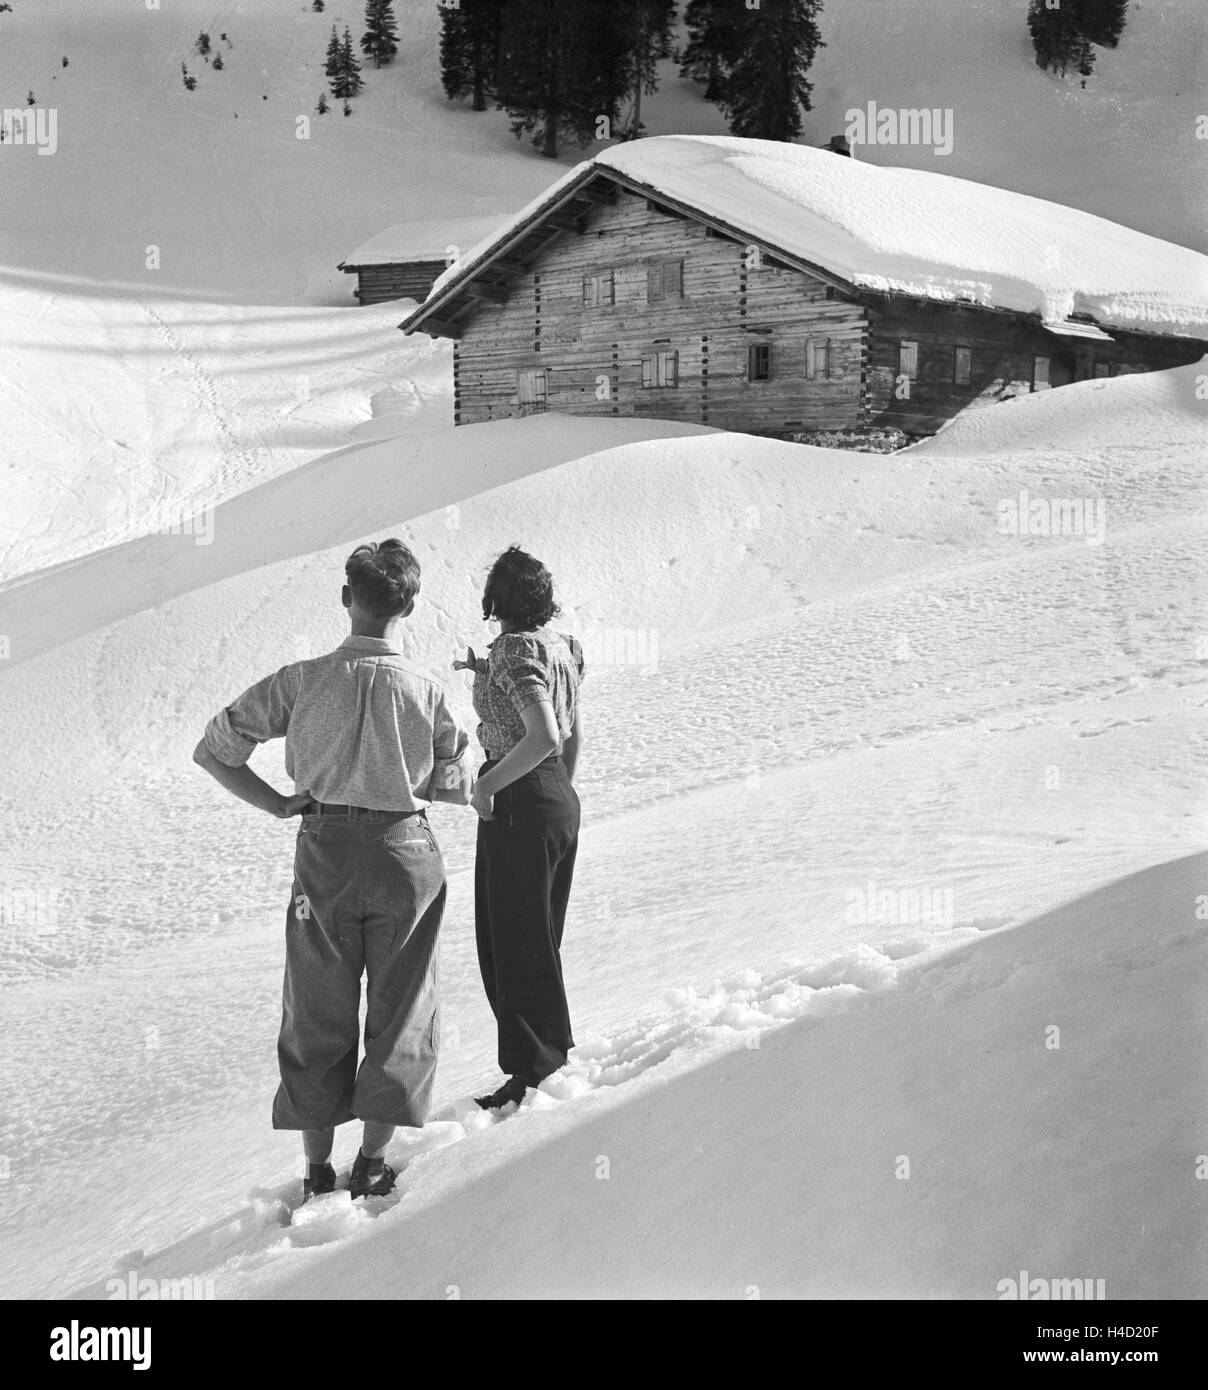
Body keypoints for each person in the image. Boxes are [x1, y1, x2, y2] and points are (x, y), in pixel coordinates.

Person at [193, 540, 472, 1201]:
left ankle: (317, 1172)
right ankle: (371, 1165)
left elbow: (214, 750)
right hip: (407, 855)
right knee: (402, 1011)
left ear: (348, 599)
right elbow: (454, 783)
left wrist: (278, 803)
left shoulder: (301, 680)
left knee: (317, 1007)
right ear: (410, 606)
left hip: (324, 851)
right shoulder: (429, 692)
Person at [453, 546, 585, 1110]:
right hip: (555, 797)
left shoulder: (513, 649)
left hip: (521, 799)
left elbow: (544, 732)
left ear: (496, 599)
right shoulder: (564, 647)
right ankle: (547, 1057)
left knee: (509, 940)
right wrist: (555, 788)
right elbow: (569, 734)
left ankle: (531, 1071)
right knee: (538, 937)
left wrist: (489, 786)